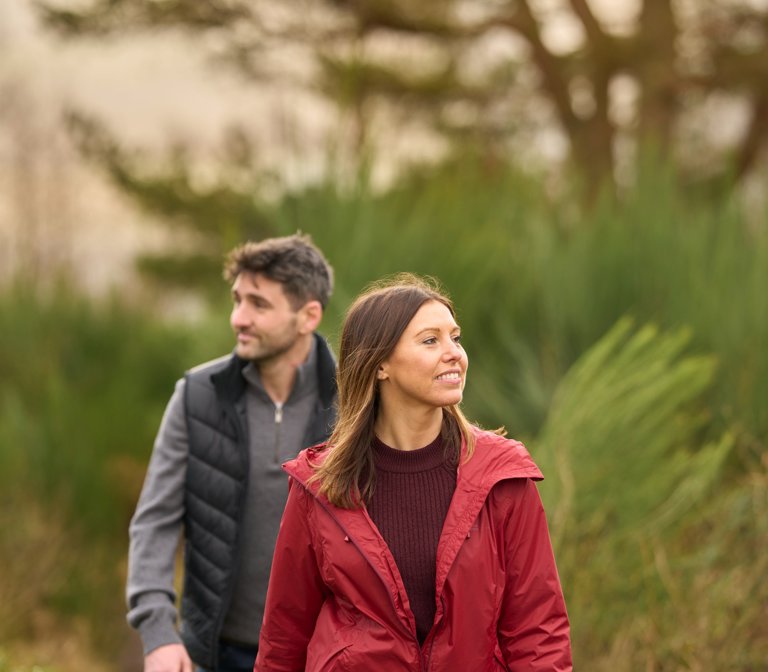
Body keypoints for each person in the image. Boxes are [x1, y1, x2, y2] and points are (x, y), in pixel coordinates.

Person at [255, 274, 572, 672]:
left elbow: (537, 632)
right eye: (430, 340)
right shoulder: (319, 485)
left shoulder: (502, 475)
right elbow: (284, 637)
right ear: (380, 364)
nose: (454, 353)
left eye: (455, 338)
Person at [126, 234, 337, 672]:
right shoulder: (197, 396)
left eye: (258, 304)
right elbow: (155, 521)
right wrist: (158, 632)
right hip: (214, 655)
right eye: (238, 300)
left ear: (308, 316)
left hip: (320, 656)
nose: (238, 317)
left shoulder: (353, 403)